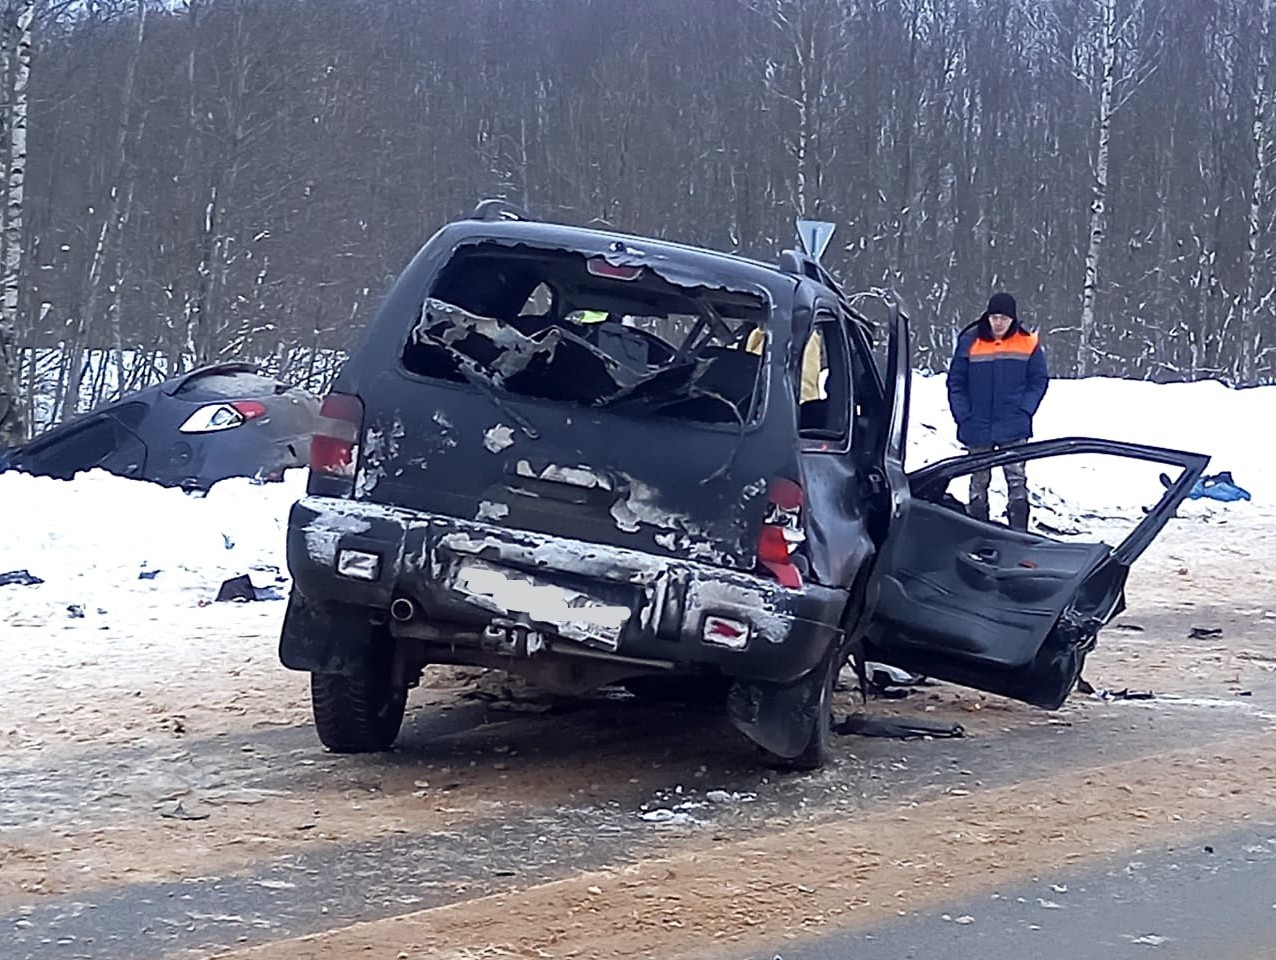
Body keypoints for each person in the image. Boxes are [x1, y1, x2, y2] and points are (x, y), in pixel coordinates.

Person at [946, 291, 1049, 531]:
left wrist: (1025, 410)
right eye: (994, 317)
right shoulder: (969, 340)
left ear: (1012, 318)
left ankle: (1020, 531)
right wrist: (963, 416)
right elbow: (956, 382)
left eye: (1004, 318)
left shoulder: (1028, 342)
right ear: (988, 317)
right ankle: (978, 530)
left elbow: (1039, 380)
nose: (999, 322)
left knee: (1016, 479)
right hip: (977, 424)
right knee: (978, 480)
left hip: (1013, 424)